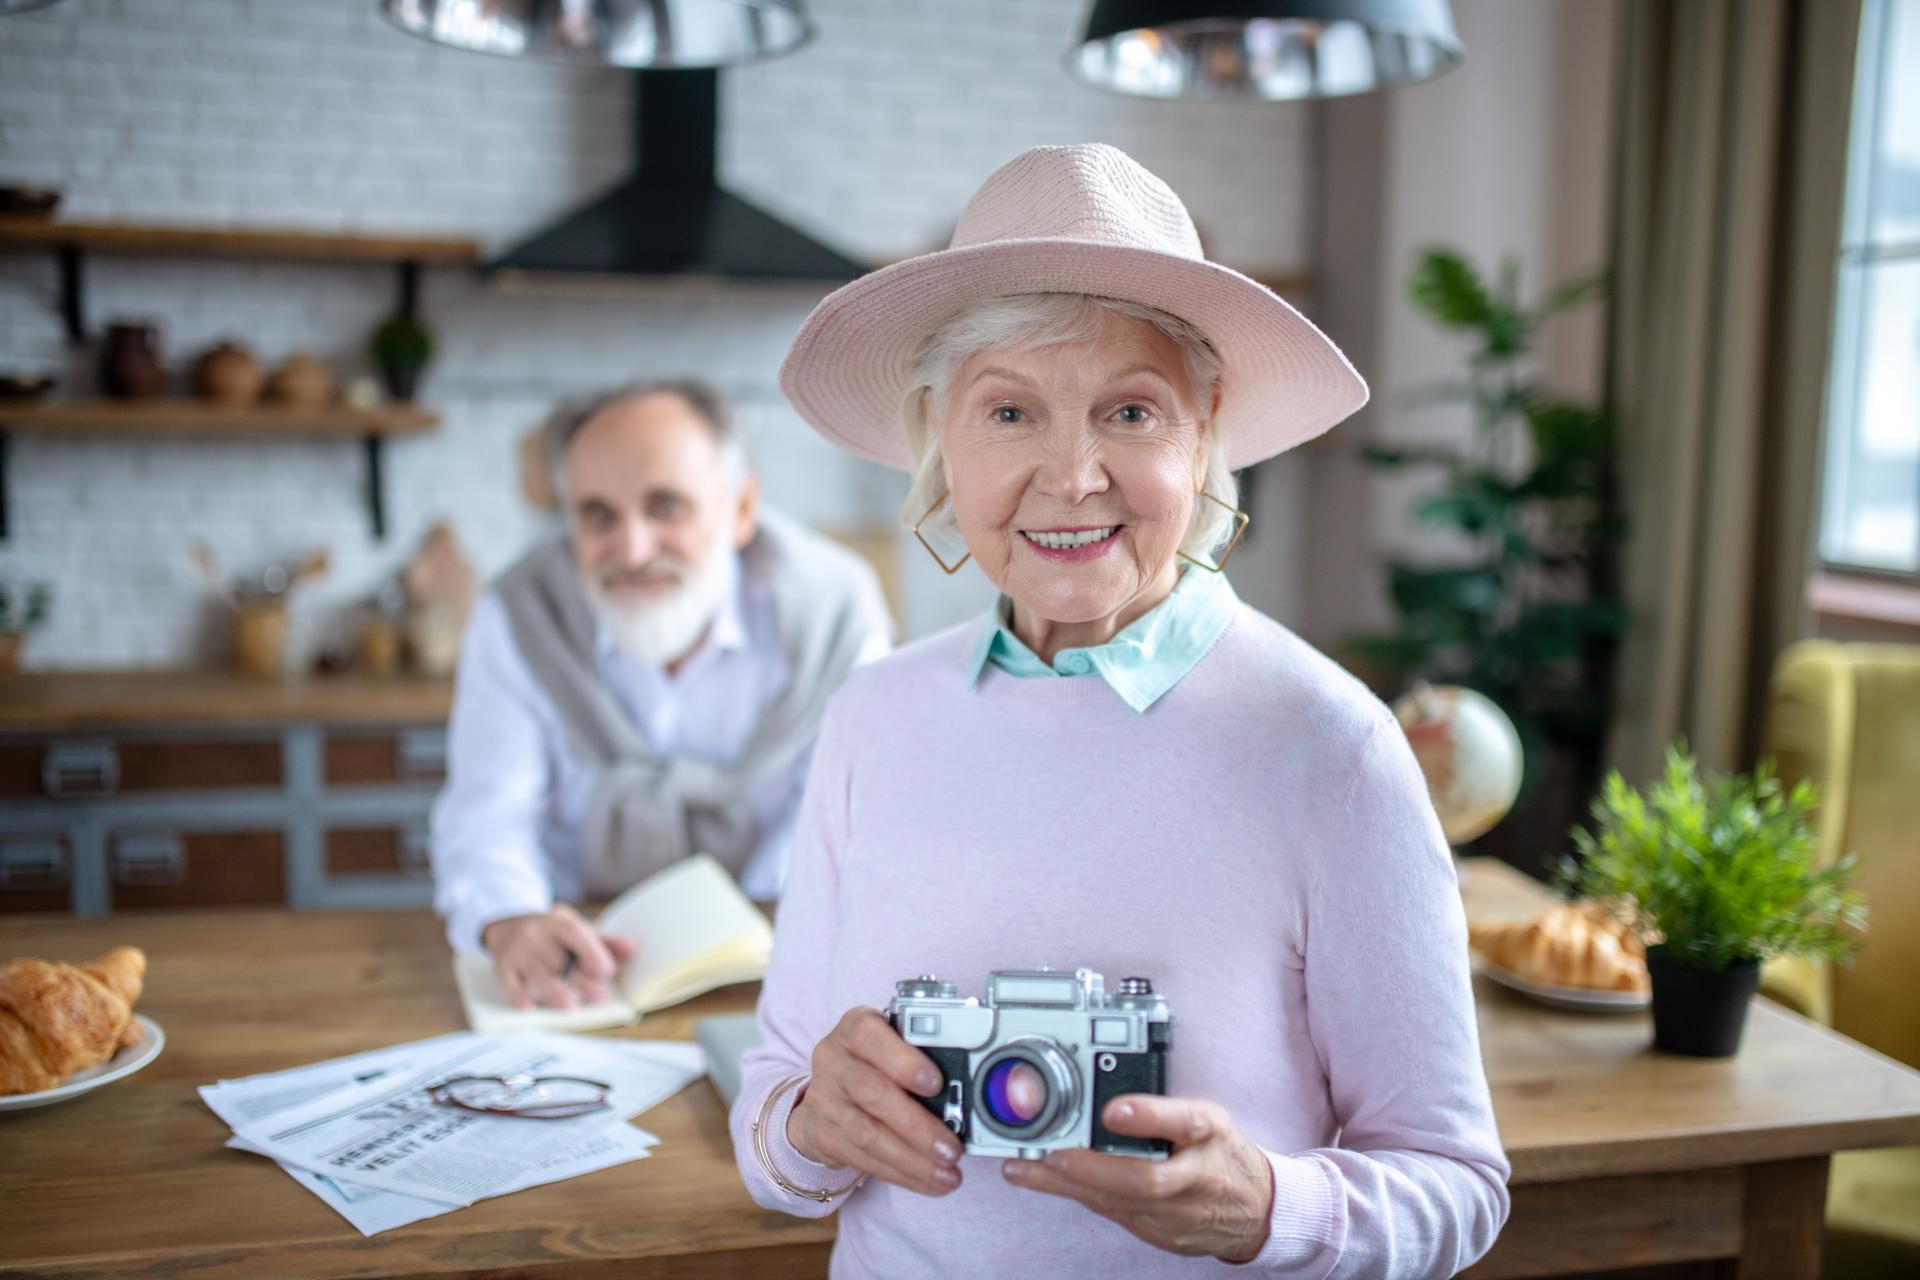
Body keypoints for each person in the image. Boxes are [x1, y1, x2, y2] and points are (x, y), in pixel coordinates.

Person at [729, 145, 1510, 1277]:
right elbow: (775, 1126)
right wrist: (811, 1125)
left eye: (1132, 411)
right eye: (1008, 411)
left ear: (1207, 427)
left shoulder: (1332, 749)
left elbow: (1457, 1184)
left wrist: (1267, 1208)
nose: (1072, 475)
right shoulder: (871, 716)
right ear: (939, 433)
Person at [430, 380, 892, 1011]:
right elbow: (488, 816)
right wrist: (509, 919)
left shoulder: (836, 613)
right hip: (575, 967)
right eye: (598, 515)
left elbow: (840, 824)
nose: (633, 549)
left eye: (665, 508)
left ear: (741, 509)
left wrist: (760, 939)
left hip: (780, 965)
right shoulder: (517, 613)